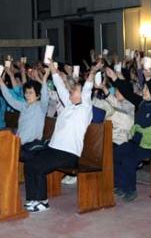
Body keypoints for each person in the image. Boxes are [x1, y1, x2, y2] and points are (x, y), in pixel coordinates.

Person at [23, 60, 97, 213]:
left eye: (75, 91)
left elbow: (88, 88)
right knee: (29, 163)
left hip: (68, 153)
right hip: (54, 149)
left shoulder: (85, 109)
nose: (71, 92)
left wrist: (92, 72)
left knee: (38, 166)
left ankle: (42, 202)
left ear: (82, 95)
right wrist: (52, 68)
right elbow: (60, 86)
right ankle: (32, 199)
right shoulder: (69, 106)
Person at [108, 64, 151, 202]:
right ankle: (120, 185)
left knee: (129, 159)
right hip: (139, 141)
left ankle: (130, 190)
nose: (144, 90)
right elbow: (128, 93)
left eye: (147, 88)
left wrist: (148, 78)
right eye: (144, 88)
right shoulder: (142, 102)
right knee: (115, 153)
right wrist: (114, 78)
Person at [0, 68, 49, 160]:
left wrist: (44, 80)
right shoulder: (24, 105)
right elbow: (11, 100)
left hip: (31, 145)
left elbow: (45, 97)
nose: (27, 95)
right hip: (20, 142)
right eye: (26, 92)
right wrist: (2, 84)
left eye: (30, 93)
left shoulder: (40, 107)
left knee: (8, 154)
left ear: (38, 95)